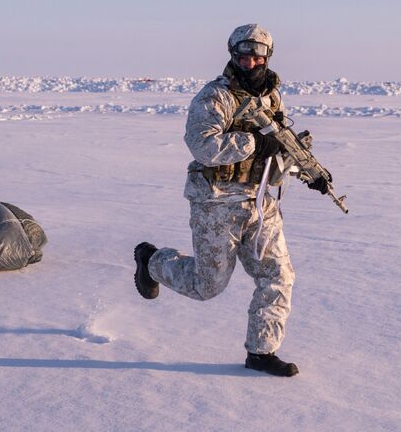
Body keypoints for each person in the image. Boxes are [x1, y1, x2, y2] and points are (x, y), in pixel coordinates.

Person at [133, 24, 328, 377]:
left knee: (279, 275)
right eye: (243, 56)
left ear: (267, 57)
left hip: (259, 199)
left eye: (257, 57)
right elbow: (203, 146)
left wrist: (303, 171)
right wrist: (254, 143)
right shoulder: (214, 97)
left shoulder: (271, 97)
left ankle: (261, 352)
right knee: (207, 286)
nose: (250, 63)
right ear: (232, 55)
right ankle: (152, 262)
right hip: (215, 201)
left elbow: (277, 145)